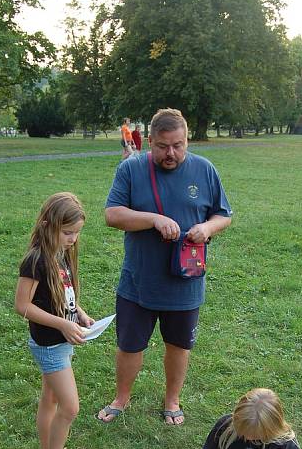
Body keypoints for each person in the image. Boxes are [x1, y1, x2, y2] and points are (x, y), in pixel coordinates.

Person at [97, 107, 232, 426]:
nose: (171, 153)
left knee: (179, 345)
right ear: (151, 140)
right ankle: (121, 398)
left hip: (185, 281)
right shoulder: (131, 169)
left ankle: (172, 400)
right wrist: (153, 220)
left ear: (186, 140)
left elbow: (223, 214)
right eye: (162, 146)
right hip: (139, 280)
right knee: (130, 344)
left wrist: (208, 229)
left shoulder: (205, 169)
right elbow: (112, 215)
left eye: (178, 145)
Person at [14, 192, 94, 449]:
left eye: (76, 233)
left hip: (61, 340)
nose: (73, 239)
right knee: (70, 407)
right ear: (48, 225)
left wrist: (80, 315)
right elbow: (23, 305)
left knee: (50, 400)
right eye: (68, 232)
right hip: (49, 345)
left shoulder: (60, 253)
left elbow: (65, 293)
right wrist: (62, 324)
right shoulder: (35, 260)